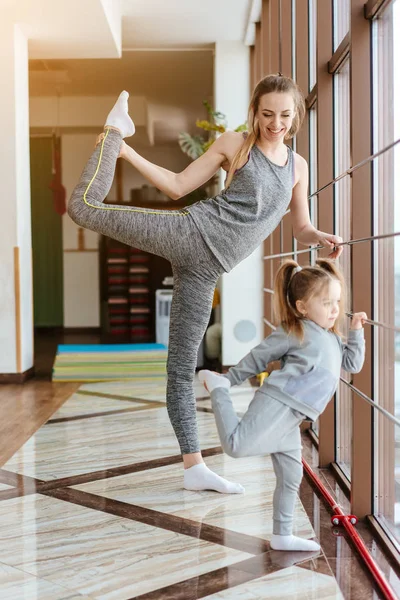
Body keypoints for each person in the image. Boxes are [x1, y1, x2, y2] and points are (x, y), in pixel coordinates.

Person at [68, 74, 343, 495]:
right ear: (255, 112)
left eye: (285, 115)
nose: (276, 123)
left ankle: (193, 467)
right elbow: (178, 186)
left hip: (206, 270)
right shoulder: (236, 145)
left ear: (296, 116)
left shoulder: (298, 167)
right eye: (267, 114)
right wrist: (126, 153)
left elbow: (300, 226)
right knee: (83, 209)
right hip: (191, 232)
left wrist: (321, 237)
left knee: (182, 369)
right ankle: (113, 130)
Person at [198, 258, 366, 551]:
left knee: (291, 477)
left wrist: (356, 331)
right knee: (237, 447)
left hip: (294, 417)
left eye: (337, 302)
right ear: (303, 307)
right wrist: (229, 380)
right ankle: (218, 389)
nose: (335, 309)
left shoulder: (333, 339)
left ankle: (282, 535)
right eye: (327, 303)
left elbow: (353, 363)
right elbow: (259, 356)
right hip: (276, 403)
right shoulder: (296, 330)